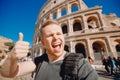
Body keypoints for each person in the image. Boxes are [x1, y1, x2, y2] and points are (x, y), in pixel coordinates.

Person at [0, 20, 99, 80]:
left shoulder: (80, 65)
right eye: (50, 35)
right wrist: (11, 58)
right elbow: (6, 73)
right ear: (42, 42)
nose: (56, 38)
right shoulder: (39, 62)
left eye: (59, 34)